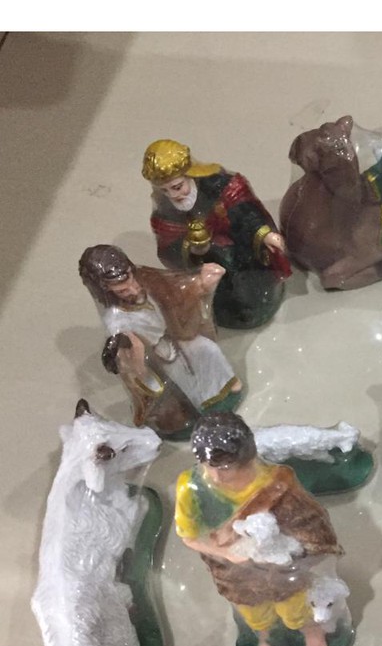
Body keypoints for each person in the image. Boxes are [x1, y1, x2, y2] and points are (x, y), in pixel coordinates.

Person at [175, 413, 346, 646]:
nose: (216, 476)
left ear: (246, 457)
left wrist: (292, 548)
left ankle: (311, 631)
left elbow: (307, 521)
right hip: (233, 568)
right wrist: (226, 553)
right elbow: (189, 536)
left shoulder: (275, 481)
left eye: (226, 467)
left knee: (294, 605)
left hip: (281, 562)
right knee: (253, 611)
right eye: (208, 466)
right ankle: (267, 639)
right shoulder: (191, 487)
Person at [79, 245, 241, 437]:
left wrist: (198, 282)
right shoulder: (115, 319)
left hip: (176, 332)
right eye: (123, 290)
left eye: (131, 279)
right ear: (106, 289)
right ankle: (203, 404)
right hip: (160, 353)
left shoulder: (146, 279)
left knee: (208, 349)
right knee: (184, 378)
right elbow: (129, 349)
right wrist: (134, 357)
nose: (133, 288)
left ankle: (226, 387)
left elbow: (174, 284)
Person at [142, 139, 291, 329]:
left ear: (190, 174)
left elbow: (246, 212)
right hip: (210, 267)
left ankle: (257, 304)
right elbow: (168, 247)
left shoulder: (221, 187)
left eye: (177, 187)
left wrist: (264, 234)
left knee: (250, 283)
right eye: (165, 190)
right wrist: (193, 248)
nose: (173, 195)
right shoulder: (166, 212)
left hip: (242, 251)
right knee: (223, 291)